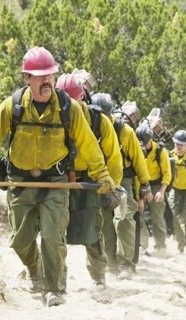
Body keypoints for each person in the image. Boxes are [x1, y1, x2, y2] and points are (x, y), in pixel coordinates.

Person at [0, 47, 114, 307]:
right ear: (26, 78)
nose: (47, 81)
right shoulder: (12, 105)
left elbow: (89, 145)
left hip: (56, 182)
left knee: (52, 237)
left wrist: (102, 175)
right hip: (20, 182)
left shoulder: (69, 108)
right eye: (40, 76)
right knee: (20, 241)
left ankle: (53, 289)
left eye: (51, 75)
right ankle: (34, 268)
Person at [55, 72, 122, 291]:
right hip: (60, 178)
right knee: (55, 231)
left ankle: (98, 277)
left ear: (82, 99)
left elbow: (113, 156)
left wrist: (113, 187)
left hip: (92, 181)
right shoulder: (52, 117)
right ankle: (57, 278)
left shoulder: (98, 121)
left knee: (93, 231)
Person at [91, 93, 151, 280]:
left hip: (123, 178)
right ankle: (112, 264)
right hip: (100, 178)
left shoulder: (125, 131)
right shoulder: (90, 128)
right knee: (105, 224)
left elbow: (138, 161)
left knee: (124, 218)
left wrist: (145, 186)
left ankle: (127, 263)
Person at [135, 124, 171, 254]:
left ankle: (161, 246)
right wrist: (141, 194)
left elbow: (167, 174)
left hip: (156, 185)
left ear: (150, 139)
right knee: (138, 214)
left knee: (157, 216)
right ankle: (141, 245)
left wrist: (161, 192)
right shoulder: (136, 149)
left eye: (145, 142)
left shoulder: (161, 151)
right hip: (140, 183)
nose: (143, 145)